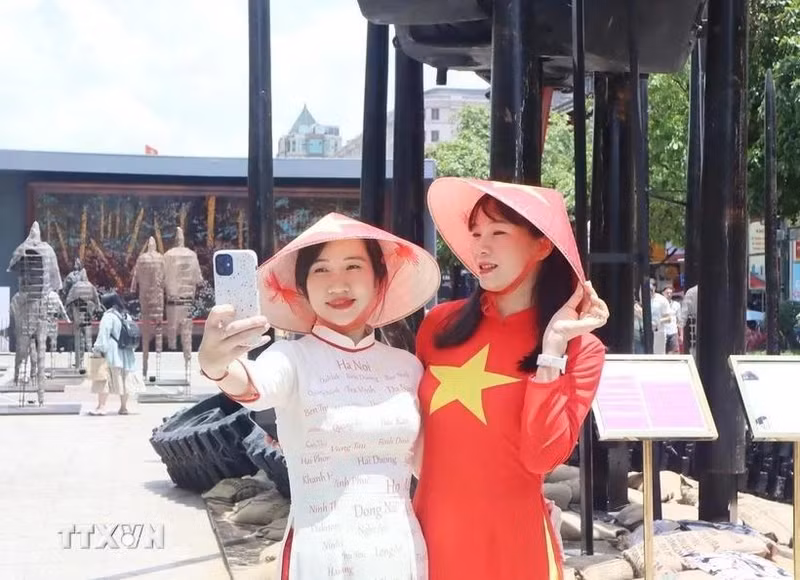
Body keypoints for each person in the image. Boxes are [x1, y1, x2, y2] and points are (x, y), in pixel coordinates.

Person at [197, 213, 440, 580]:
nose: (337, 284)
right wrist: (216, 364)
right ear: (303, 288)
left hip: (400, 552)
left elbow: (432, 465)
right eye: (321, 271)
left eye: (353, 266)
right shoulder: (292, 358)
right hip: (322, 556)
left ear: (378, 280)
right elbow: (253, 386)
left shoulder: (408, 367)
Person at [414, 178, 609, 580]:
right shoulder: (438, 325)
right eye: (476, 234)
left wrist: (552, 349)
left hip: (516, 550)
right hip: (432, 538)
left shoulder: (581, 350)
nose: (480, 247)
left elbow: (543, 456)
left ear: (542, 245)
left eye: (498, 232)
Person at [89, 292, 136, 415]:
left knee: (103, 379)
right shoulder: (126, 316)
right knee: (125, 380)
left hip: (112, 352)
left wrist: (98, 349)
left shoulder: (108, 316)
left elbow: (103, 334)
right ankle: (124, 407)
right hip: (126, 353)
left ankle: (101, 406)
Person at [662, 286, 681, 354]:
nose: (669, 295)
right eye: (667, 293)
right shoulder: (660, 304)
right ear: (663, 293)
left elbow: (679, 320)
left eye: (671, 293)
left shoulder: (677, 305)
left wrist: (681, 335)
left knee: (673, 353)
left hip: (673, 332)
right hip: (663, 332)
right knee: (662, 353)